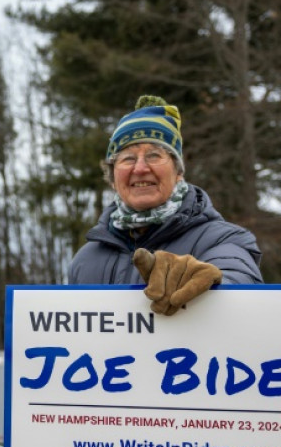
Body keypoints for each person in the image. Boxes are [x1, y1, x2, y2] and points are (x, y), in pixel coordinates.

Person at [68, 95, 262, 315]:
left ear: (178, 172)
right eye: (127, 159)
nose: (140, 168)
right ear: (113, 178)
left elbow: (240, 281)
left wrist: (215, 282)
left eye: (154, 155)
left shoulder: (223, 239)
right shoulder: (85, 260)